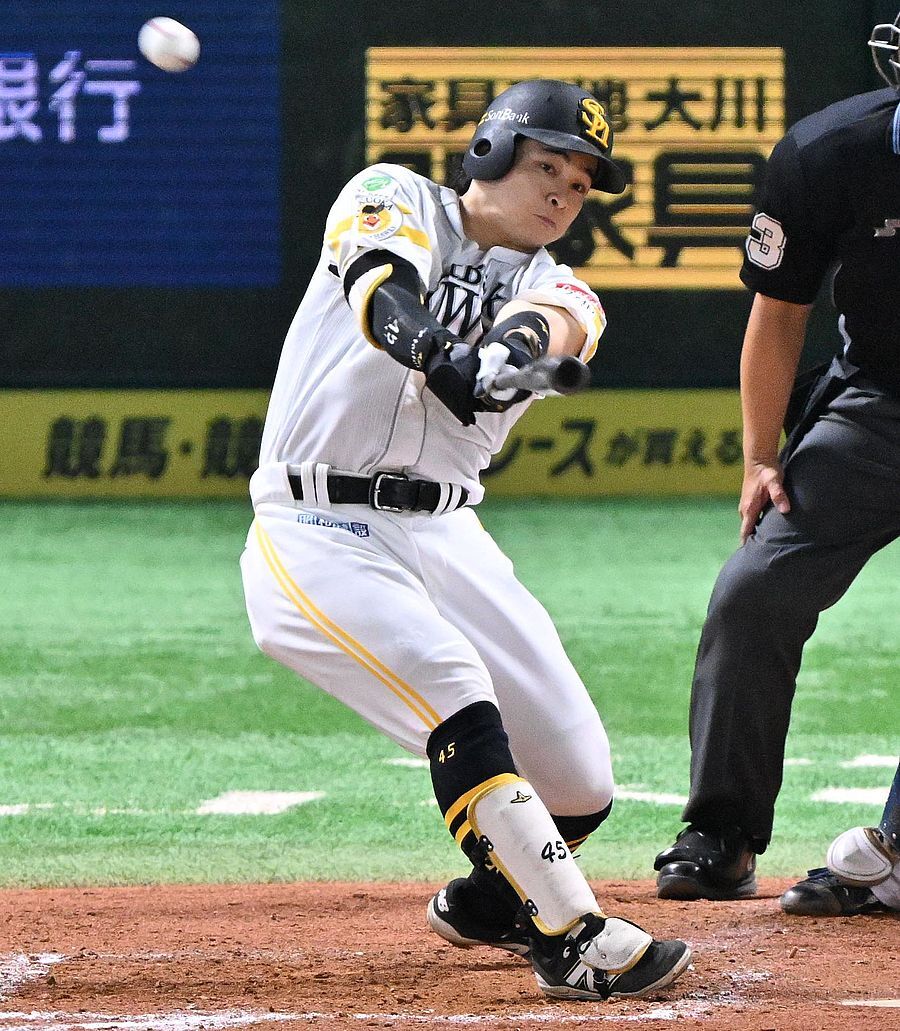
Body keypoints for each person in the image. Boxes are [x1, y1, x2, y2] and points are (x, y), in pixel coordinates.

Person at [240, 79, 691, 1000]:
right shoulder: (393, 194)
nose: (565, 192)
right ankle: (573, 938)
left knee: (577, 782)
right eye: (549, 165)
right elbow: (381, 290)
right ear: (491, 152)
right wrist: (441, 354)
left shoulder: (559, 283)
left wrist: (509, 349)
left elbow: (557, 320)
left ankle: (491, 902)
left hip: (447, 530)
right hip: (316, 519)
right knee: (454, 688)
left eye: (581, 182)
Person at [653, 11, 900, 917]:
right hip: (880, 408)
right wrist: (762, 457)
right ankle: (720, 833)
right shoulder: (830, 153)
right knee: (755, 587)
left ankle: (896, 852)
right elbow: (780, 310)